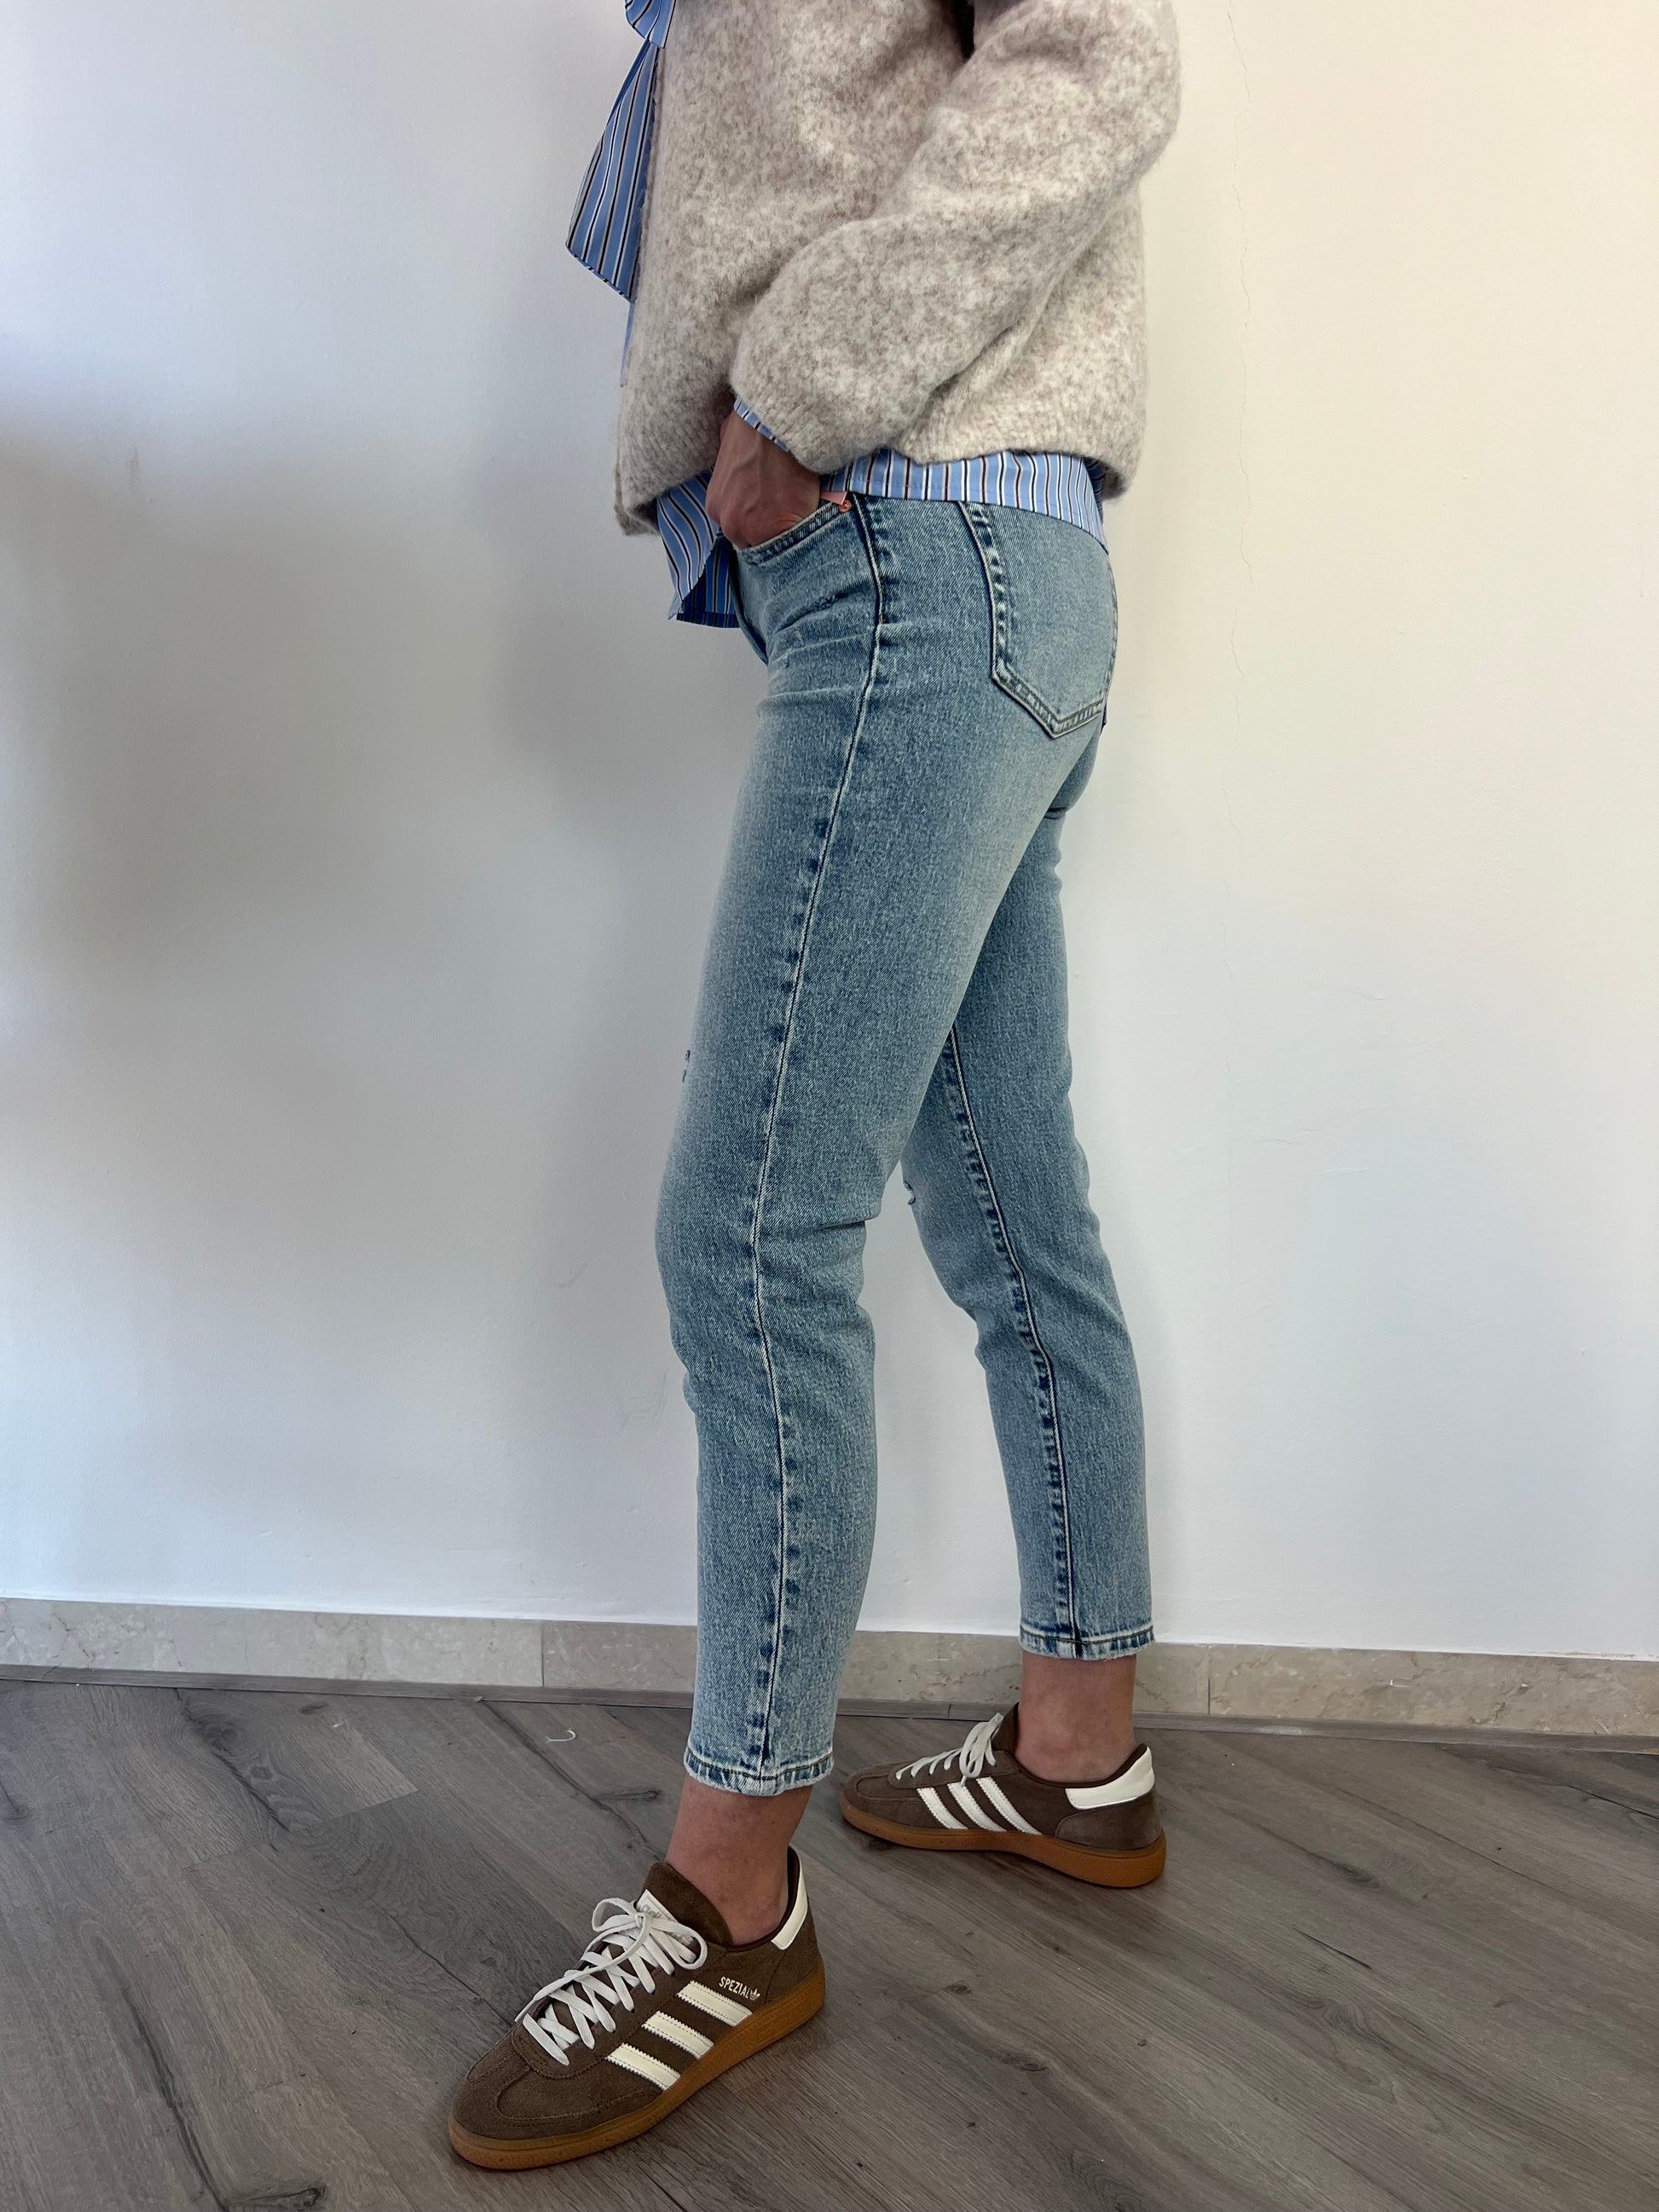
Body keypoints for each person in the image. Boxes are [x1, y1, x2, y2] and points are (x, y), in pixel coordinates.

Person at [448, 0, 1181, 2169]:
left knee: (751, 1237)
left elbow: (1097, 57)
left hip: (916, 546)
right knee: (1004, 1200)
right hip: (983, 564)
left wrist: (788, 392)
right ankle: (1078, 1752)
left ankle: (727, 1897)